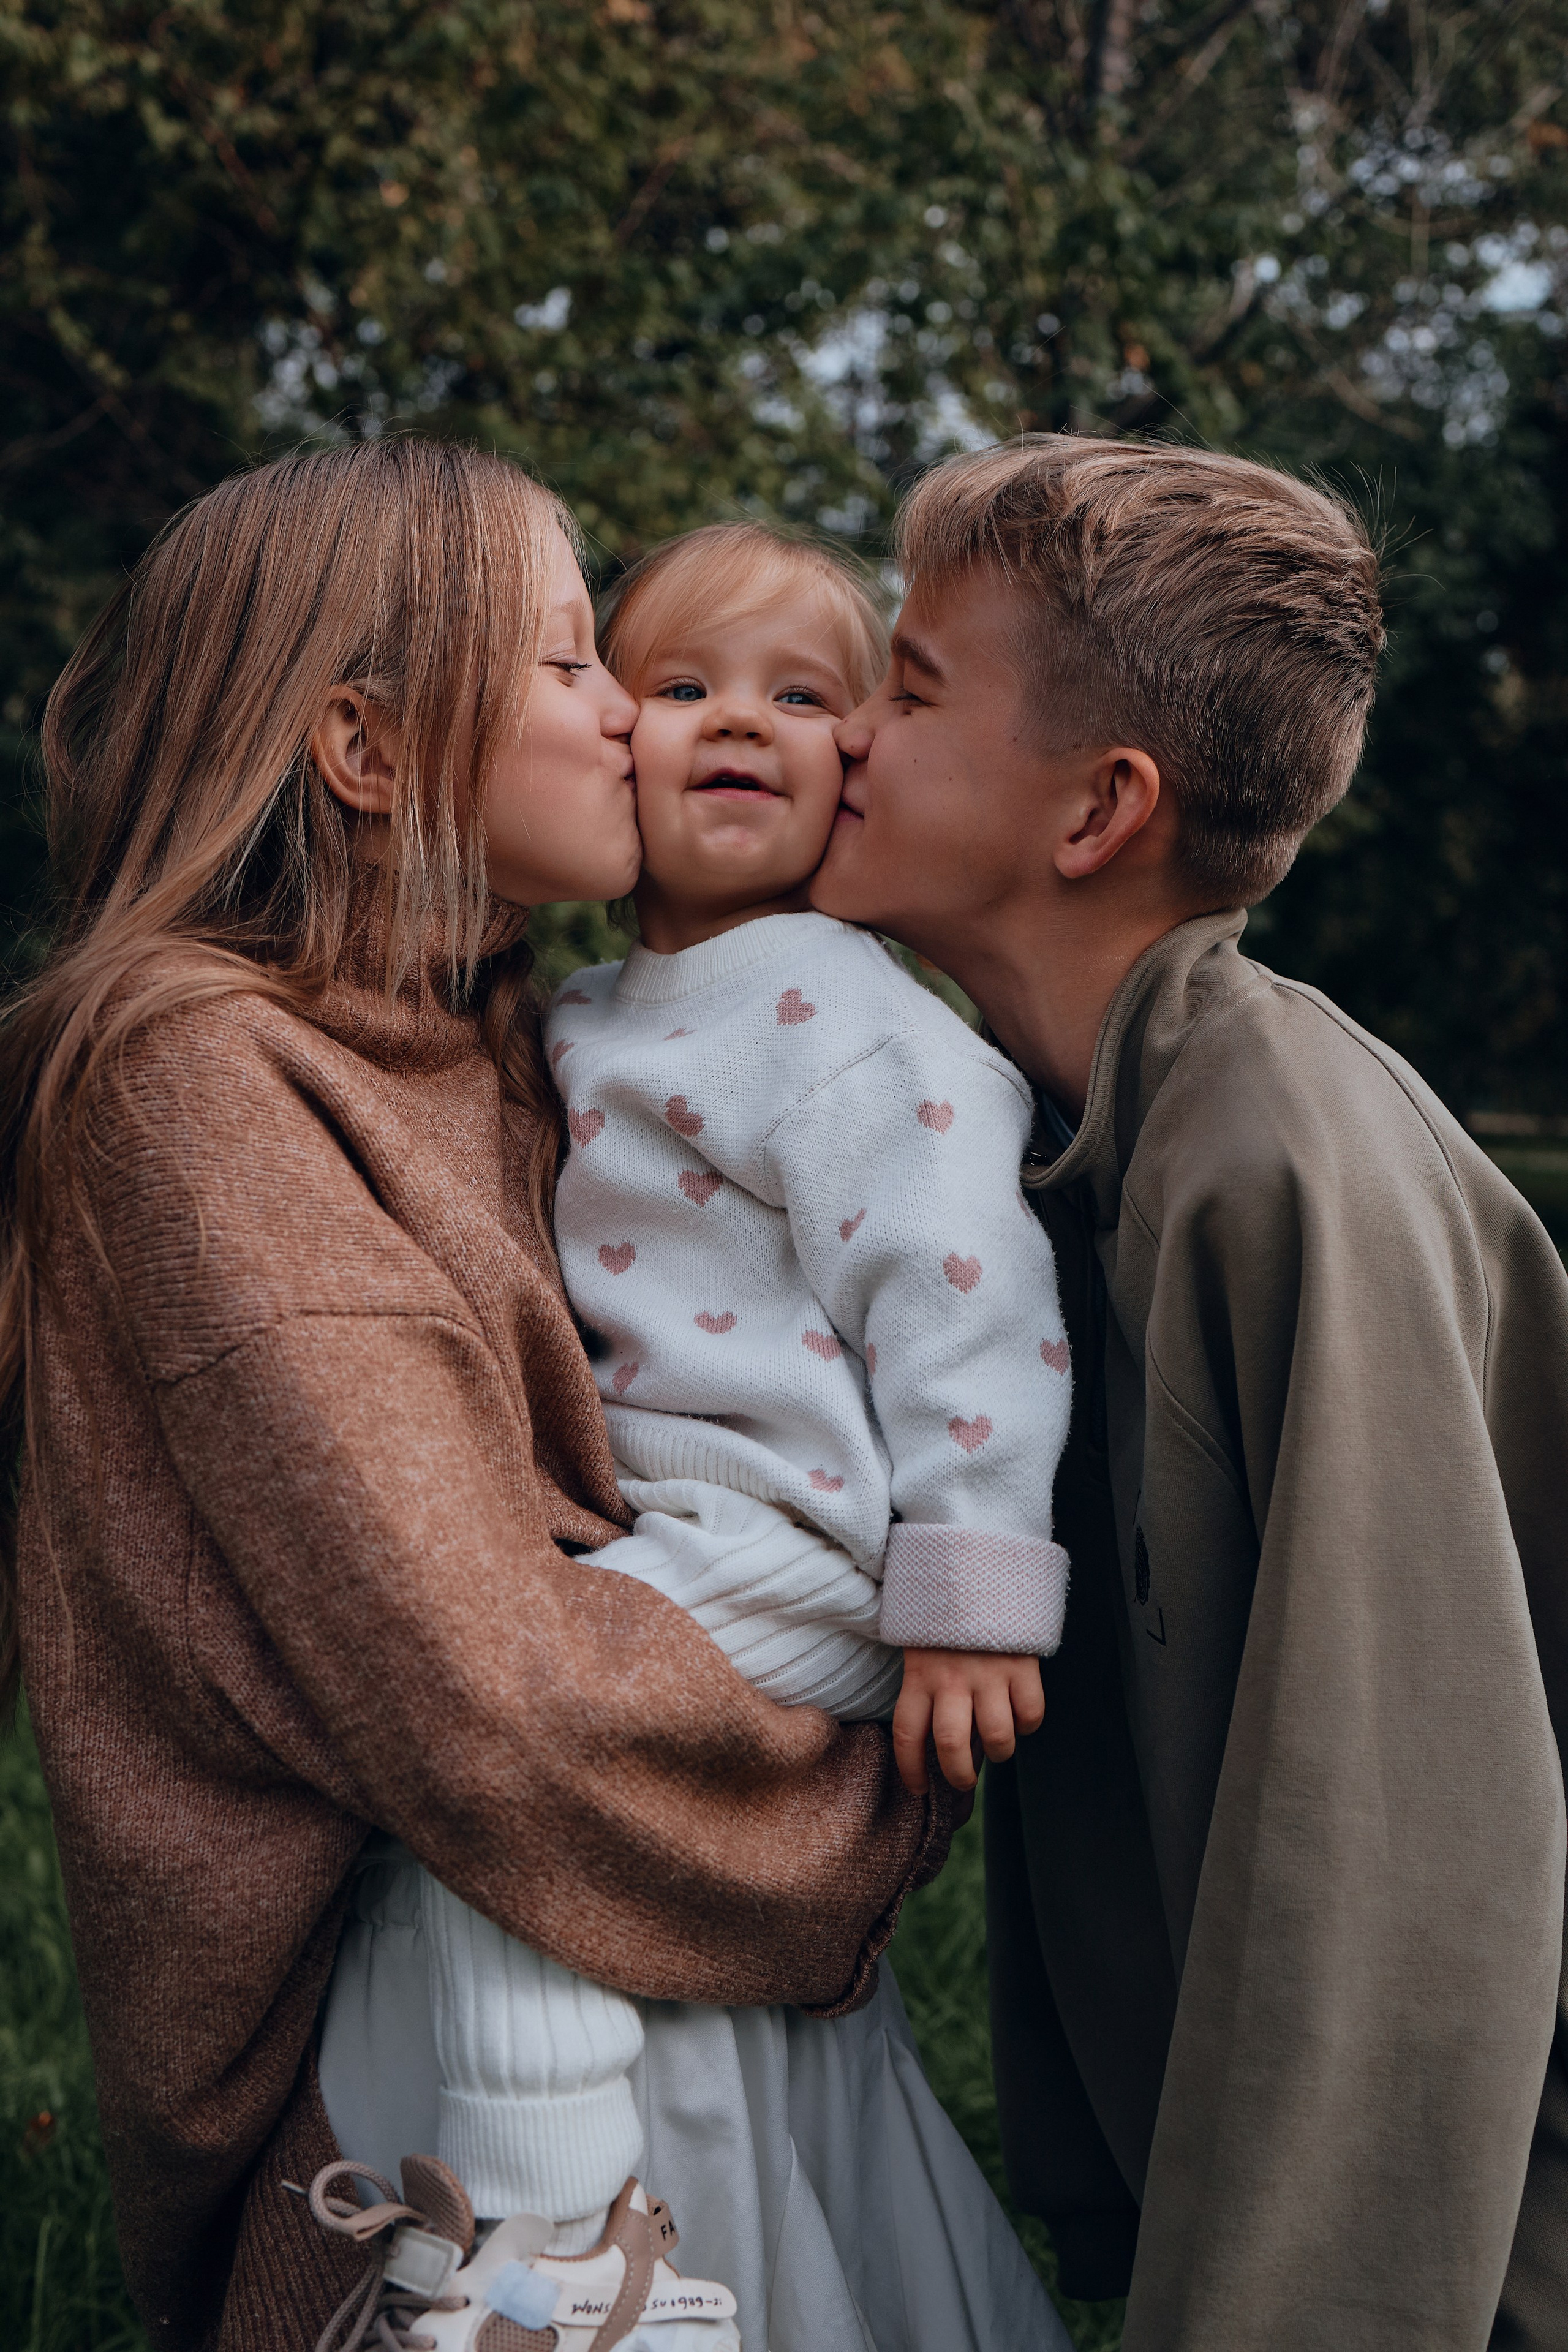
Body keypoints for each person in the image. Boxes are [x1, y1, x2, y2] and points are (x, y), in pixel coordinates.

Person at [0, 442, 958, 2352]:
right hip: (438, 1996)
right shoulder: (197, 1080)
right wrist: (862, 1783)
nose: (630, 717)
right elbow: (481, 1700)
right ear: (365, 752)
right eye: (570, 664)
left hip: (630, 1910)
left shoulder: (507, 1027)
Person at [810, 434, 1568, 2351]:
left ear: (1096, 812)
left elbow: (1401, 1853)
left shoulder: (1279, 1155)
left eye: (903, 692)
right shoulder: (1061, 1138)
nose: (840, 738)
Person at [325, 520, 1074, 2352]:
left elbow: (965, 1302)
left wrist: (969, 1589)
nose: (740, 722)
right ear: (613, 747)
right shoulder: (581, 1016)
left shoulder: (849, 1023)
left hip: (805, 1541)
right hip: (660, 1532)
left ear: (852, 773)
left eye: (804, 696)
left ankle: (557, 2257)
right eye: (677, 686)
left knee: (507, 1775)